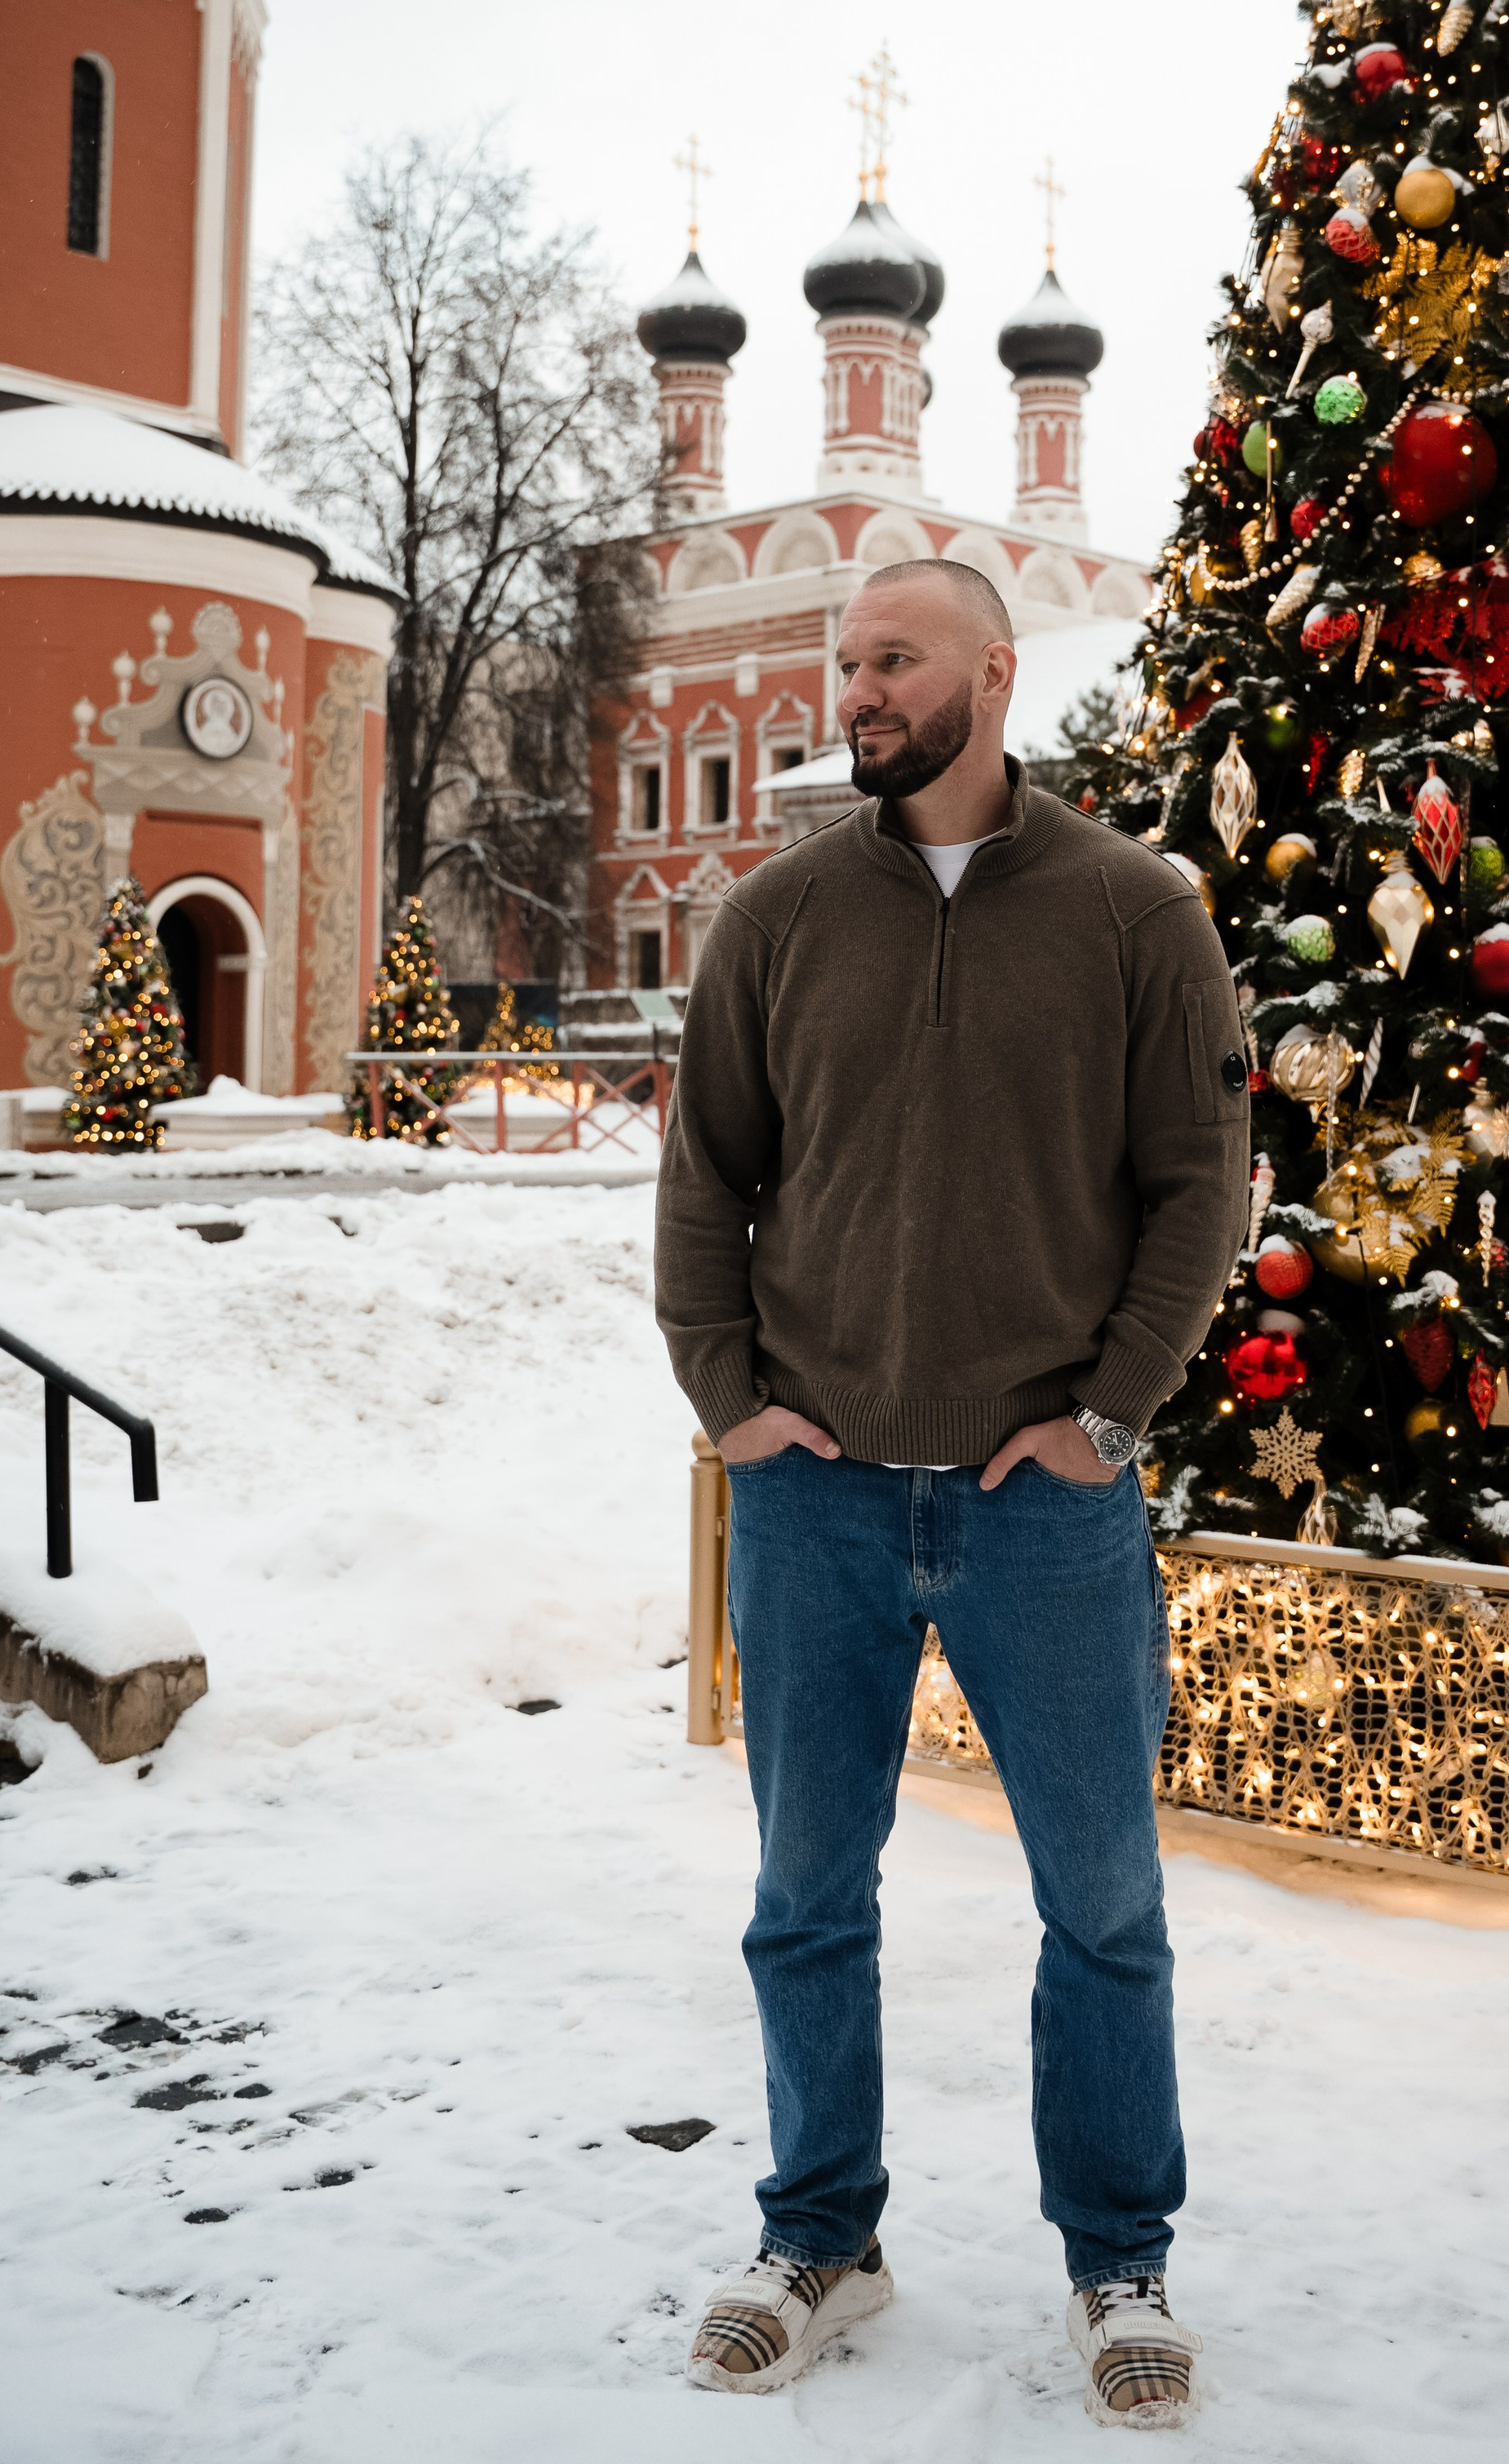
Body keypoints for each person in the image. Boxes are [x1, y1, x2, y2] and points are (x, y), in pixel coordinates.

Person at [655, 558, 1250, 2428]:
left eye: (891, 659)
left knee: (1102, 1907)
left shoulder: (1134, 912)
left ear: (989, 675)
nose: (858, 690)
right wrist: (728, 1400)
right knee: (805, 1898)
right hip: (817, 1496)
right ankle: (819, 2236)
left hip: (1039, 1506)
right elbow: (707, 1185)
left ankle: (1117, 2264)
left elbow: (1197, 1185)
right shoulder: (772, 916)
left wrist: (1110, 1410)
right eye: (844, 663)